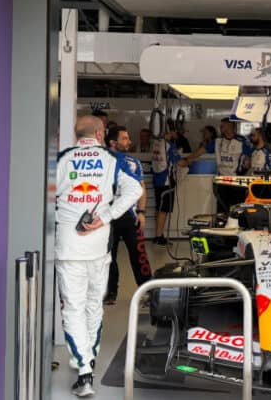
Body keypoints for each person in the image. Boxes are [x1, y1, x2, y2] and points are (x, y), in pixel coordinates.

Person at [56, 116, 143, 397]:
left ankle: (83, 369)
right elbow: (135, 190)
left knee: (73, 307)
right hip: (98, 246)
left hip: (68, 246)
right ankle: (86, 358)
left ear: (76, 134)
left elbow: (45, 196)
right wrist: (105, 216)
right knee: (94, 304)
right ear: (100, 133)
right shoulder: (110, 158)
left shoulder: (62, 159)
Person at [103, 126, 153, 305]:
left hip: (130, 215)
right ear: (113, 142)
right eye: (124, 138)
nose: (129, 142)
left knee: (139, 255)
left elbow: (141, 188)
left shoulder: (133, 162)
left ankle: (148, 291)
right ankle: (111, 292)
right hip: (107, 216)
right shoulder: (102, 160)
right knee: (108, 257)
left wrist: (141, 212)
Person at [151, 120, 182, 246]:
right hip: (166, 181)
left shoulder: (156, 143)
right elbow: (180, 163)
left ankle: (158, 235)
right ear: (171, 131)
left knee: (159, 208)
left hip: (157, 180)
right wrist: (190, 160)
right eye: (176, 130)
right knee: (163, 210)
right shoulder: (170, 146)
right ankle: (159, 237)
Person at [214, 118, 253, 213]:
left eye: (222, 125)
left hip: (237, 181)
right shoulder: (218, 140)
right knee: (222, 209)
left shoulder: (242, 141)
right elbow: (203, 149)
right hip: (222, 180)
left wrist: (245, 168)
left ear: (230, 126)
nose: (220, 127)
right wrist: (188, 159)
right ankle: (222, 226)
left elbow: (250, 157)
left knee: (238, 209)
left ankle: (238, 226)